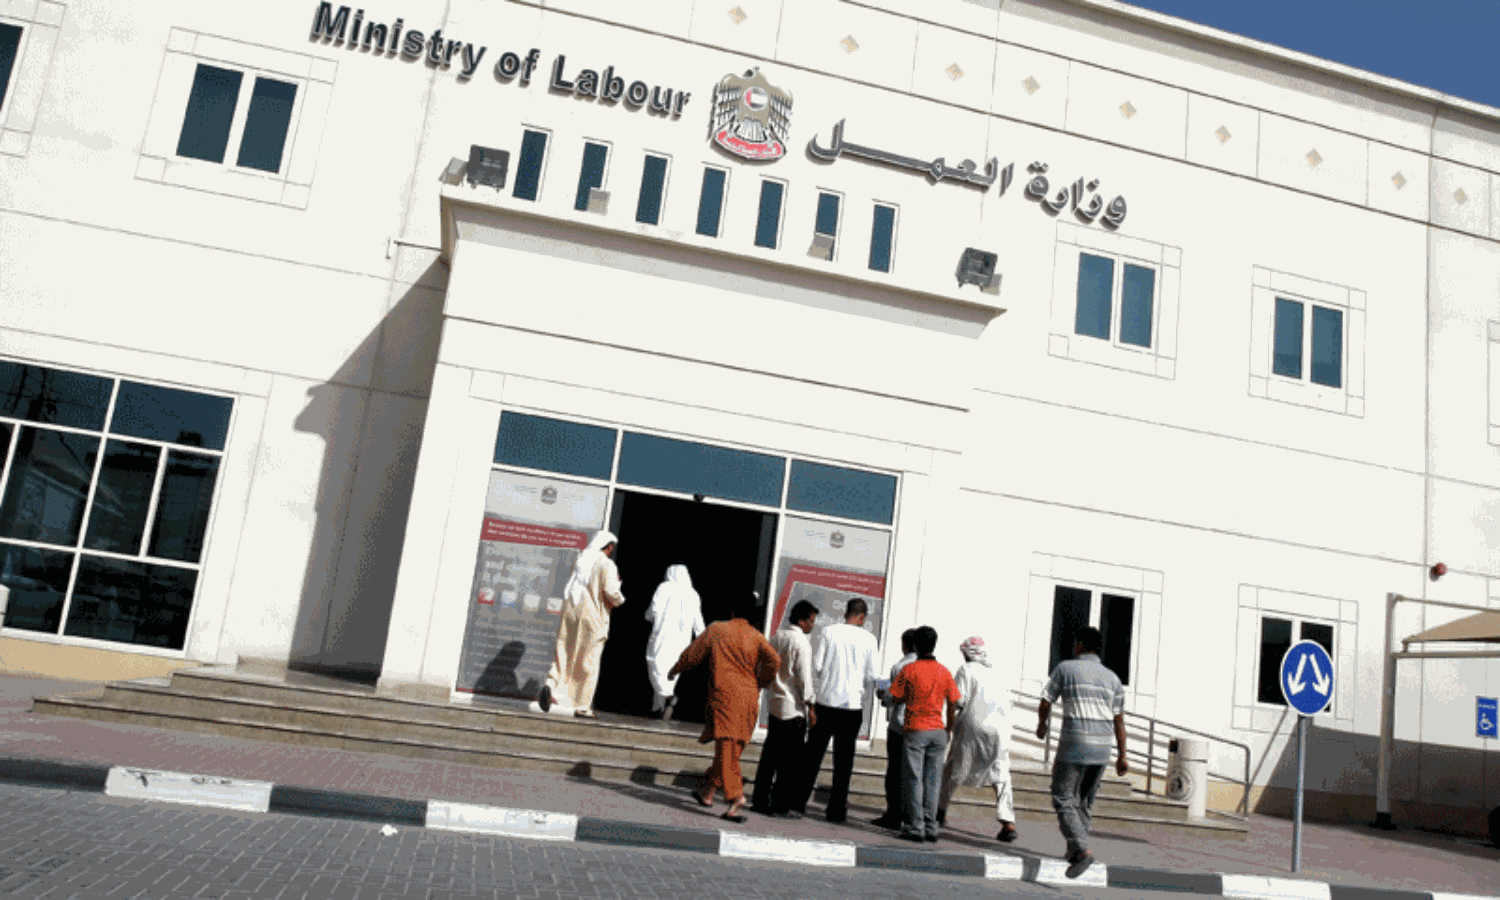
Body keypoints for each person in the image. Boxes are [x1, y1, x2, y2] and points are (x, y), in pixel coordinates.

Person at [668, 590, 780, 823]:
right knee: (732, 750)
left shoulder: (718, 629)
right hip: (749, 699)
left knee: (727, 749)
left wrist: (675, 669)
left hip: (725, 697)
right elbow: (775, 660)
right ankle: (707, 792)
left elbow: (692, 654)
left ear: (732, 610)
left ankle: (735, 797)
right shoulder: (756, 636)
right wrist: (762, 681)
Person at [1036, 626, 1128, 879]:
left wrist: (1042, 725)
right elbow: (1119, 719)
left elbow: (1045, 701)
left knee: (1063, 797)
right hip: (1102, 748)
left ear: (1080, 645)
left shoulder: (1065, 669)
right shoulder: (1113, 678)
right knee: (1084, 802)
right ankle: (1074, 852)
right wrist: (1122, 755)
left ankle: (1081, 850)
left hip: (1074, 743)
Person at [791, 597, 881, 823]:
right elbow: (872, 675)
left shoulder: (828, 632)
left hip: (826, 702)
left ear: (846, 613)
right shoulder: (869, 639)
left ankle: (798, 804)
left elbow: (818, 666)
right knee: (844, 762)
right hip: (851, 706)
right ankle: (836, 810)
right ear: (862, 617)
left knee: (812, 756)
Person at [938, 635, 1018, 843]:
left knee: (953, 767)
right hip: (1000, 729)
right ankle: (1008, 823)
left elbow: (958, 700)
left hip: (972, 725)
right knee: (1001, 773)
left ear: (967, 653)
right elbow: (1009, 702)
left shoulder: (965, 670)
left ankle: (939, 810)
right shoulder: (997, 673)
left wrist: (949, 725)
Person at [537, 530, 623, 718]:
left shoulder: (580, 559)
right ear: (608, 547)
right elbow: (611, 591)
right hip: (592, 616)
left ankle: (551, 685)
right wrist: (620, 598)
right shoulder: (606, 564)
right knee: (589, 661)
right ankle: (583, 706)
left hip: (570, 611)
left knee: (563, 653)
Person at [888, 625, 961, 842]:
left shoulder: (909, 670)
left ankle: (915, 827)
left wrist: (885, 694)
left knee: (914, 779)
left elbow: (892, 698)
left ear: (916, 645)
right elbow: (955, 702)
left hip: (916, 729)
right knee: (933, 781)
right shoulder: (944, 671)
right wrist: (949, 728)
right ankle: (931, 827)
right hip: (938, 731)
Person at [750, 599, 818, 816]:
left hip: (775, 703)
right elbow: (804, 679)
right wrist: (811, 706)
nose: (812, 625)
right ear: (802, 620)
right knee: (789, 762)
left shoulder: (777, 637)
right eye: (811, 621)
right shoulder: (801, 643)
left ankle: (760, 799)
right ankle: (780, 804)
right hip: (793, 708)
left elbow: (765, 666)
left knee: (769, 756)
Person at [644, 564, 705, 721]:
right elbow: (698, 622)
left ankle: (668, 696)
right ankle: (658, 708)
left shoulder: (664, 587)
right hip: (682, 642)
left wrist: (648, 616)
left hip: (662, 636)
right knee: (671, 674)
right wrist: (703, 639)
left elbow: (654, 609)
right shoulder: (693, 594)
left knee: (655, 665)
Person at [872, 629, 918, 829]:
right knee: (913, 772)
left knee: (894, 771)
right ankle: (911, 814)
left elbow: (893, 696)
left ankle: (894, 814)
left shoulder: (900, 666)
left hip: (899, 724)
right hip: (920, 726)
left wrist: (883, 694)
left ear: (906, 644)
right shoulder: (930, 666)